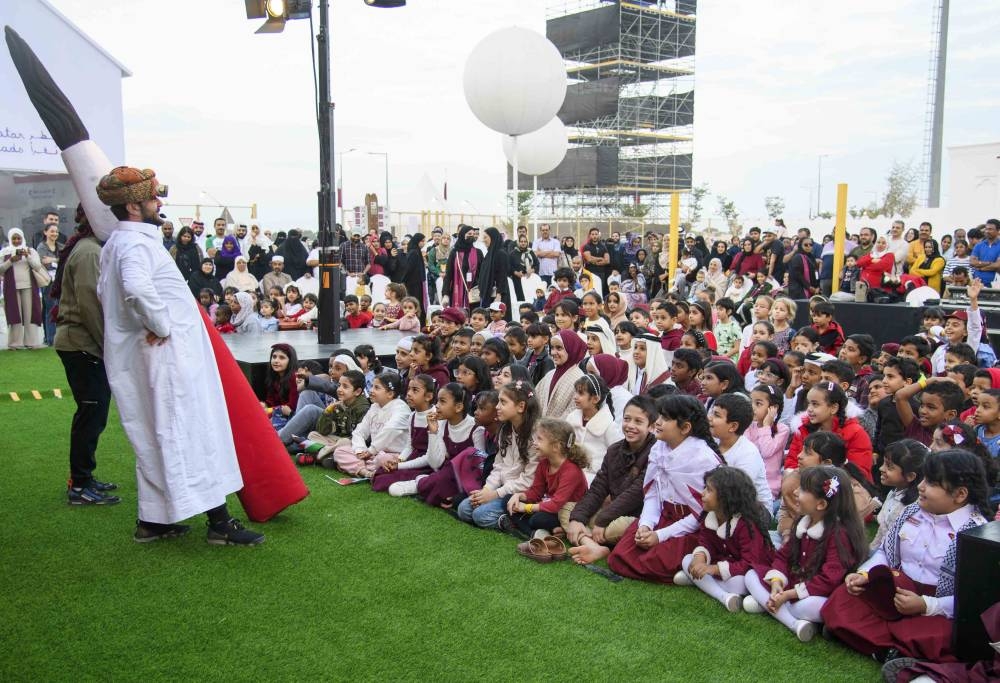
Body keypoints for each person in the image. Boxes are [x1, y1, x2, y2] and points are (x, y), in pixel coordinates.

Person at [93, 166, 262, 544]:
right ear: (134, 207)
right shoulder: (134, 245)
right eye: (153, 198)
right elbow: (136, 290)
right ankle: (219, 523)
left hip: (158, 358)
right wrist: (163, 325)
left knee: (159, 435)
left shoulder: (124, 242)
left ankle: (154, 521)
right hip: (167, 360)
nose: (160, 203)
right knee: (190, 432)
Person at [821, 450, 993, 662]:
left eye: (931, 483)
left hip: (935, 607)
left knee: (941, 635)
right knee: (842, 599)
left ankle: (874, 644)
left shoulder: (976, 533)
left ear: (960, 494)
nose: (920, 487)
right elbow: (885, 551)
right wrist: (864, 574)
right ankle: (894, 650)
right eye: (923, 479)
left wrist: (925, 605)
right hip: (892, 592)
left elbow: (971, 601)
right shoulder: (911, 511)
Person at [606, 395, 723, 583]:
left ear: (685, 428)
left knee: (654, 563)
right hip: (663, 516)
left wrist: (660, 536)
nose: (658, 422)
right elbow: (653, 494)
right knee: (619, 556)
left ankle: (687, 568)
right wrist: (646, 525)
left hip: (692, 525)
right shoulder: (659, 447)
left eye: (666, 418)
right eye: (659, 416)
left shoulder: (703, 459)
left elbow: (702, 513)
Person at [744, 465, 868, 642]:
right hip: (793, 587)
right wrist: (777, 583)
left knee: (812, 607)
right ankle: (786, 614)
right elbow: (783, 556)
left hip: (818, 594)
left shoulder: (839, 533)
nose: (795, 492)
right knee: (751, 575)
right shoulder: (804, 521)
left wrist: (788, 595)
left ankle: (776, 608)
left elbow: (829, 580)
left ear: (821, 504)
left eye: (802, 489)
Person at [52, 207, 120, 504]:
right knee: (90, 414)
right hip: (82, 344)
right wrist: (109, 347)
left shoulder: (87, 249)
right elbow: (90, 306)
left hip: (81, 343)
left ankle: (85, 477)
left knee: (93, 413)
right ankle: (80, 485)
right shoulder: (89, 252)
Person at [566, 395, 656, 564]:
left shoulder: (656, 453)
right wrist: (578, 517)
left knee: (625, 527)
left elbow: (635, 493)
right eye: (627, 419)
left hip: (633, 517)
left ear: (651, 426)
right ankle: (593, 544)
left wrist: (602, 519)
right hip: (609, 514)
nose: (630, 426)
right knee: (568, 510)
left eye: (638, 422)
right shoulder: (615, 450)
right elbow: (598, 487)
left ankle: (587, 536)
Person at [674, 466, 776, 613]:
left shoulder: (746, 524)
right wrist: (700, 559)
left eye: (709, 490)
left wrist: (713, 569)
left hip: (746, 571)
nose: (702, 494)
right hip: (723, 567)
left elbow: (749, 563)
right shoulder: (710, 515)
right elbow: (705, 542)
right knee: (687, 560)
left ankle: (710, 588)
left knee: (740, 583)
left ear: (725, 498)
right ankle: (717, 590)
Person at [457, 380, 539, 530]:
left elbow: (528, 480)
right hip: (501, 488)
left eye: (502, 402)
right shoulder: (505, 430)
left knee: (480, 515)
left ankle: (511, 521)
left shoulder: (535, 437)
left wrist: (495, 494)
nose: (497, 407)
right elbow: (498, 466)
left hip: (520, 494)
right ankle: (505, 515)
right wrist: (487, 490)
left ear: (521, 406)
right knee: (464, 509)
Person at [506, 418, 588, 550]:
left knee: (537, 520)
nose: (534, 442)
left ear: (555, 446)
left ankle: (538, 533)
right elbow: (535, 492)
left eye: (539, 439)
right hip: (549, 506)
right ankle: (543, 534)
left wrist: (525, 508)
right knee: (508, 501)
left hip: (566, 512)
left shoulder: (571, 470)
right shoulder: (544, 463)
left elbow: (556, 505)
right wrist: (519, 496)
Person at [331, 372, 411, 476]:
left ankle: (359, 467)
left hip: (394, 455)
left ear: (390, 394)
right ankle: (366, 472)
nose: (371, 390)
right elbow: (359, 431)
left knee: (383, 459)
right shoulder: (375, 407)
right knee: (341, 451)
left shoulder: (401, 408)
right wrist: (360, 450)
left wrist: (371, 451)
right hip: (372, 455)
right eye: (372, 386)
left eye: (377, 388)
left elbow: (390, 430)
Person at [370, 374, 436, 492]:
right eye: (409, 389)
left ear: (429, 396)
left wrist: (400, 466)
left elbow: (430, 456)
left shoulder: (435, 417)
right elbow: (409, 446)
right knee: (380, 475)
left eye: (415, 390)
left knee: (387, 483)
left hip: (428, 464)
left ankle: (424, 481)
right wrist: (398, 460)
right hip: (412, 459)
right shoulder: (412, 416)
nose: (409, 393)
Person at [566, 374, 623, 483]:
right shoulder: (572, 418)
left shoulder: (608, 425)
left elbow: (617, 456)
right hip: (570, 471)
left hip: (595, 478)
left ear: (595, 399)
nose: (575, 397)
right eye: (576, 392)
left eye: (581, 393)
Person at [870, 439, 926, 550]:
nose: (881, 468)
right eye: (884, 463)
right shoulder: (893, 492)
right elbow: (881, 532)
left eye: (889, 467)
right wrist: (870, 551)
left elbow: (896, 545)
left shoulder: (911, 507)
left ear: (910, 476)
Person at [1, 228, 47, 349]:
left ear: (22, 238)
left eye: (19, 238)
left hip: (29, 287)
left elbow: (37, 266)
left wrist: (28, 256)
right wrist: (11, 260)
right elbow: (1, 270)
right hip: (11, 288)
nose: (16, 241)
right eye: (14, 238)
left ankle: (31, 342)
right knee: (14, 314)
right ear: (10, 239)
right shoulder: (5, 252)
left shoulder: (30, 251)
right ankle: (15, 343)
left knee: (30, 314)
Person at [535, 329, 587, 420]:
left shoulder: (580, 379)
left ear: (572, 349)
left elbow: (573, 413)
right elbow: (535, 400)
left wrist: (550, 430)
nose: (553, 352)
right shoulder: (550, 374)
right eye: (552, 348)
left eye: (559, 348)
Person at [441, 224, 481, 309]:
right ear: (463, 235)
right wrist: (445, 294)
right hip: (457, 289)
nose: (472, 236)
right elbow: (448, 274)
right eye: (469, 234)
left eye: (473, 234)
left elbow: (482, 273)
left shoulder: (478, 252)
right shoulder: (454, 253)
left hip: (474, 291)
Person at [36, 221, 61, 345]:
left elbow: (65, 260)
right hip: (47, 282)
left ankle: (54, 337)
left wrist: (53, 260)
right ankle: (50, 339)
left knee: (58, 309)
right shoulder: (41, 247)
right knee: (50, 309)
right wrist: (57, 261)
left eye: (56, 231)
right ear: (45, 232)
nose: (54, 234)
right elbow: (42, 262)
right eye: (52, 231)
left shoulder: (60, 246)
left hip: (59, 281)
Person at [969, 218, 1000, 287]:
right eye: (986, 229)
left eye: (990, 229)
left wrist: (981, 267)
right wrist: (989, 263)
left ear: (998, 231)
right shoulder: (979, 245)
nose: (987, 231)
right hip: (977, 283)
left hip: (995, 284)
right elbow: (972, 262)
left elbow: (998, 265)